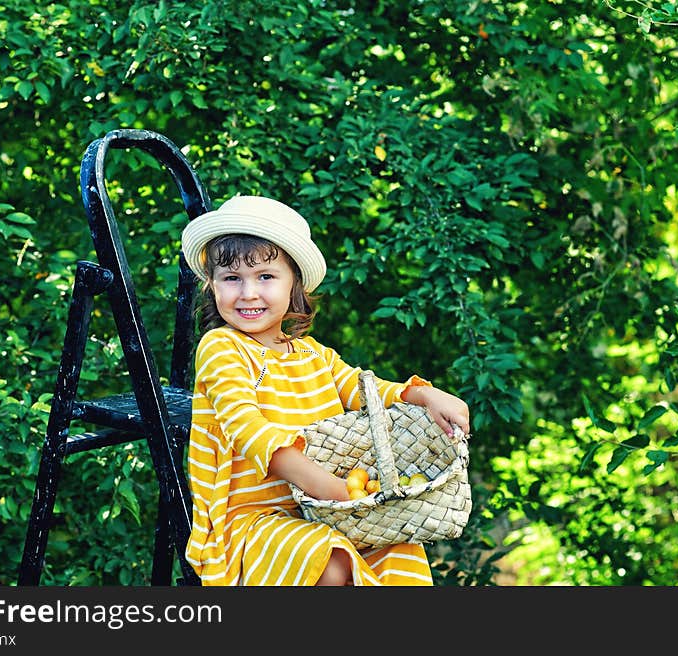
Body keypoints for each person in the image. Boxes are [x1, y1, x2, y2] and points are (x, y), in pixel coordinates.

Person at [180, 195, 470, 586]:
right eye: (231, 278)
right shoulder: (222, 347)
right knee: (329, 564)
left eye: (265, 276)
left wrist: (424, 395)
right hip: (254, 522)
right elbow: (247, 429)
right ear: (212, 285)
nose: (248, 293)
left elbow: (363, 389)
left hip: (325, 512)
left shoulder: (312, 355)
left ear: (293, 283)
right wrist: (329, 488)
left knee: (401, 547)